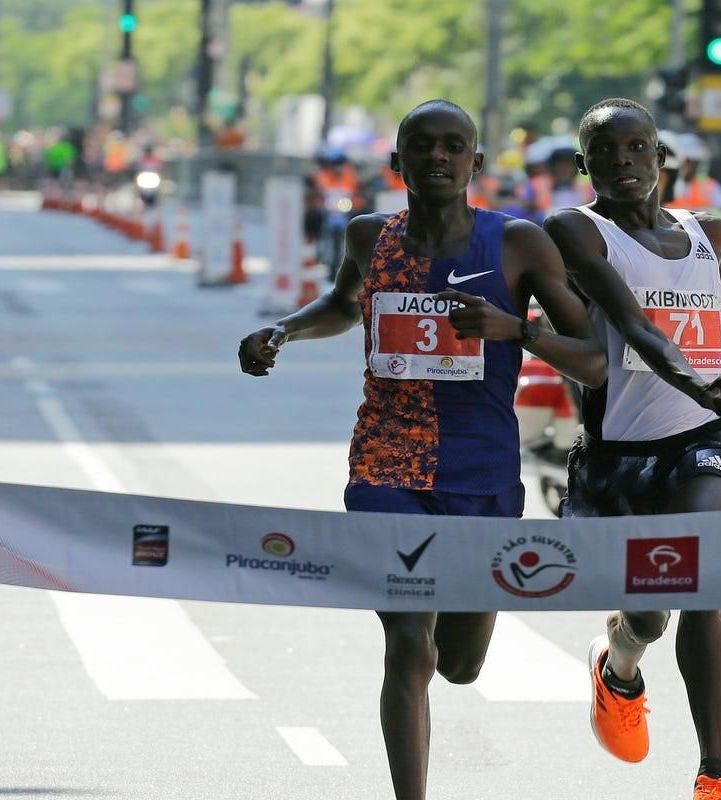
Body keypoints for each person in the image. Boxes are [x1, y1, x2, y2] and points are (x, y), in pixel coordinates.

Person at [236, 100, 604, 800]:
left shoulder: (518, 243)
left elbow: (593, 360)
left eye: (453, 145)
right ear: (397, 162)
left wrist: (513, 330)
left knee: (459, 665)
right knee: (407, 641)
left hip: (482, 468)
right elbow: (347, 305)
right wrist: (282, 330)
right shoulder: (370, 236)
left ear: (476, 163)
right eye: (423, 146)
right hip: (385, 463)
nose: (438, 156)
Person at [543, 98, 721, 800]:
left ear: (661, 157)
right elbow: (636, 328)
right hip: (622, 449)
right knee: (650, 611)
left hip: (708, 438)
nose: (624, 164)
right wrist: (709, 390)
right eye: (605, 154)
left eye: (637, 149)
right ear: (584, 166)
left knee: (701, 573)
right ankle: (621, 662)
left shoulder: (707, 231)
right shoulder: (577, 230)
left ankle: (715, 772)